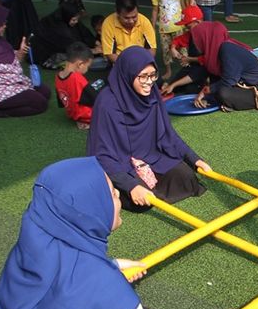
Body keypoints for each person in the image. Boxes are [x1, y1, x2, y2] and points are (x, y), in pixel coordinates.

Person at [0, 157, 247, 309]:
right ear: (88, 210)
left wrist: (110, 265)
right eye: (111, 194)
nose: (118, 197)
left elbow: (61, 278)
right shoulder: (107, 295)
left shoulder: (23, 258)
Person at [88, 47, 211, 211]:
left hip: (152, 155)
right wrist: (131, 185)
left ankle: (142, 184)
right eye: (143, 76)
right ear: (128, 74)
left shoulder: (152, 93)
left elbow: (168, 134)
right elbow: (102, 154)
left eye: (153, 75)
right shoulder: (107, 103)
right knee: (141, 201)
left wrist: (195, 159)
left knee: (187, 178)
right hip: (121, 161)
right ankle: (117, 187)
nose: (149, 82)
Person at [0, 2, 50, 121]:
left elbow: (7, 61)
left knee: (45, 92)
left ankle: (21, 96)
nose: (5, 26)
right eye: (1, 24)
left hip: (14, 83)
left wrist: (20, 52)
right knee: (39, 103)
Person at [191, 21, 258, 112]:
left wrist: (208, 90)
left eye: (197, 39)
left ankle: (230, 102)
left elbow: (229, 80)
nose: (195, 43)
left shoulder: (227, 49)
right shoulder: (218, 49)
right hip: (242, 84)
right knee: (215, 85)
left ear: (206, 37)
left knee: (223, 93)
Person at [31, 1, 98, 66]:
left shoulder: (67, 18)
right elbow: (68, 44)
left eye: (77, 19)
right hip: (46, 52)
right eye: (74, 20)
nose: (76, 22)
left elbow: (84, 31)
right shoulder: (56, 26)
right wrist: (91, 51)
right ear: (67, 17)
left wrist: (96, 42)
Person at [55, 42, 102, 129]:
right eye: (88, 66)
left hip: (72, 114)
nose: (87, 70)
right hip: (87, 115)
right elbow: (96, 98)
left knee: (95, 84)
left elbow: (61, 101)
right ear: (80, 64)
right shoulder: (77, 78)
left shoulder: (58, 76)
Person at [151, 0, 185, 80]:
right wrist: (152, 23)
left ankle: (185, 67)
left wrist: (186, 19)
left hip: (179, 26)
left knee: (183, 48)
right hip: (164, 29)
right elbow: (155, 10)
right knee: (165, 50)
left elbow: (183, 5)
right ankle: (168, 70)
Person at [101, 0, 157, 64]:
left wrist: (143, 63)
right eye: (126, 18)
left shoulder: (144, 21)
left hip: (142, 61)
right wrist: (129, 66)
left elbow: (152, 49)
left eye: (134, 17)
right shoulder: (108, 24)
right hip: (120, 63)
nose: (131, 21)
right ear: (117, 14)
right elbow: (110, 53)